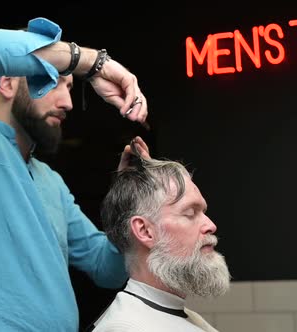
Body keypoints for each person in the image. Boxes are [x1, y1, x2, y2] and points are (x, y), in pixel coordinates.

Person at [0, 17, 149, 331]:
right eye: (53, 80)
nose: (68, 102)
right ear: (6, 82)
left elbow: (107, 267)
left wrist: (129, 198)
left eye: (70, 87)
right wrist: (94, 64)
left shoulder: (50, 181)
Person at [90, 140, 231, 331]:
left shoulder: (182, 315)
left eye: (203, 212)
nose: (210, 225)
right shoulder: (125, 327)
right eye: (190, 213)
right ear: (145, 231)